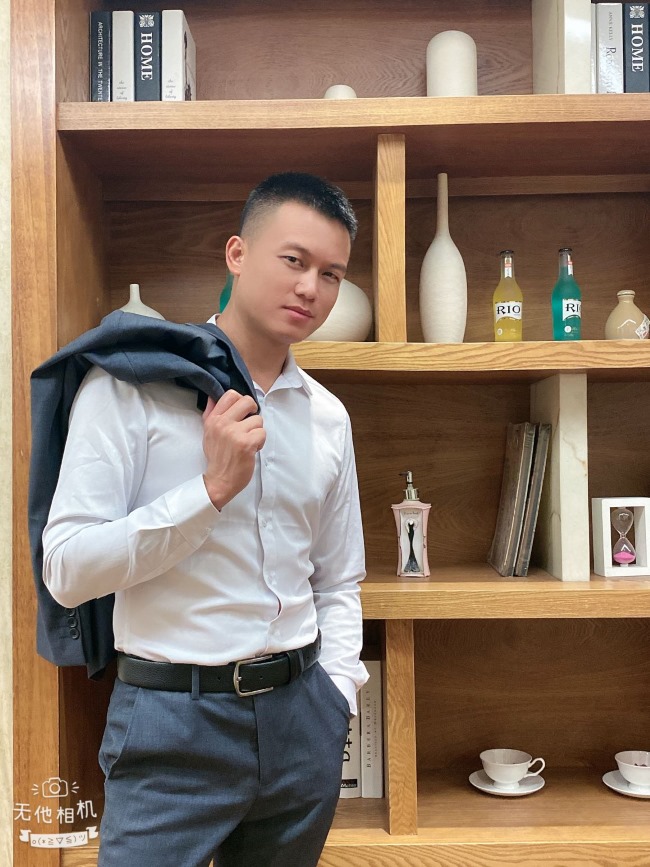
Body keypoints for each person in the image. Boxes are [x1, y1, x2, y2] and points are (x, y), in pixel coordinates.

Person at [42, 172, 368, 867]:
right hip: (170, 723)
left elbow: (339, 580)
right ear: (237, 254)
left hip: (302, 719)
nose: (310, 287)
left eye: (331, 274)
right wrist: (210, 491)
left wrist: (336, 695)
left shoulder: (328, 417)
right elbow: (66, 569)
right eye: (294, 259)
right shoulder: (131, 388)